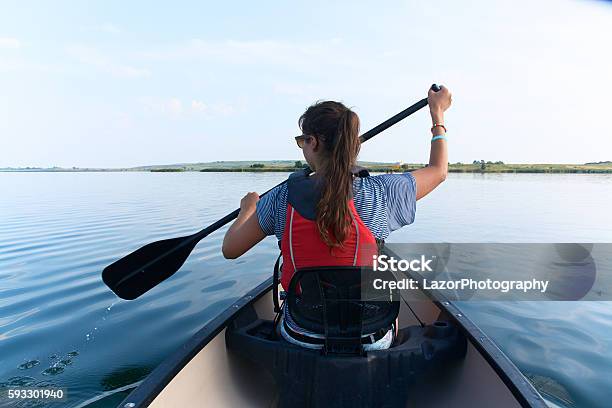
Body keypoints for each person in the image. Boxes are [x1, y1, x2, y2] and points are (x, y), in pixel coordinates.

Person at [223, 86, 452, 349]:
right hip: (371, 337)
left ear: (314, 142)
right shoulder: (382, 191)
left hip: (301, 334)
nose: (302, 147)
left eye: (302, 140)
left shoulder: (280, 197)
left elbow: (230, 249)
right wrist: (438, 115)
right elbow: (439, 171)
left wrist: (247, 209)